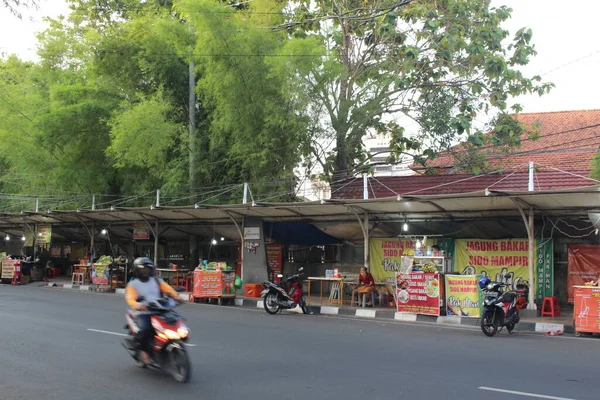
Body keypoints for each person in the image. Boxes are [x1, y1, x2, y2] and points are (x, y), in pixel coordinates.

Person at [125, 257, 182, 365]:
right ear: (137, 270)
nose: (145, 270)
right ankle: (144, 352)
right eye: (142, 269)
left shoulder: (156, 280)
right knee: (146, 330)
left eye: (147, 268)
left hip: (160, 309)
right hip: (143, 312)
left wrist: (176, 296)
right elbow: (130, 299)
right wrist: (138, 305)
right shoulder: (133, 285)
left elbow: (168, 290)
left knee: (175, 321)